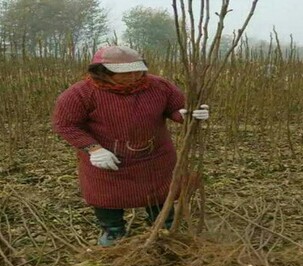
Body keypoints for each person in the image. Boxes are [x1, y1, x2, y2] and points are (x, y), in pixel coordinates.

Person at [52, 45, 209, 247]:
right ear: (102, 72)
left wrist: (189, 115)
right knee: (106, 196)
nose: (134, 76)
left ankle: (163, 226)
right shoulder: (80, 94)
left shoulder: (159, 86)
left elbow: (176, 110)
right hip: (109, 158)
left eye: (137, 70)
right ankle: (113, 231)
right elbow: (65, 125)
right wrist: (93, 148)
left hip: (155, 156)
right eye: (125, 73)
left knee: (161, 192)